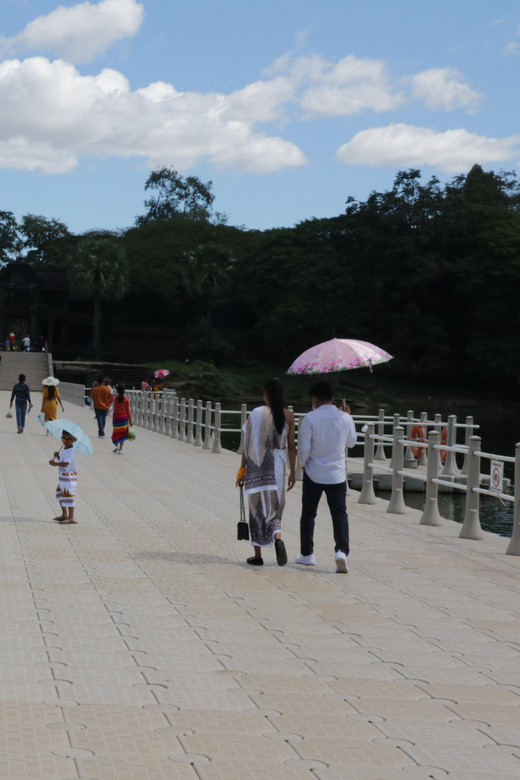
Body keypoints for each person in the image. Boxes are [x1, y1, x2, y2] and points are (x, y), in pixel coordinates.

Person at [296, 381, 357, 573]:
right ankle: (341, 551)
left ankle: (307, 554)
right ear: (332, 398)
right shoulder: (345, 418)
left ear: (314, 399)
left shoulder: (310, 418)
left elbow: (303, 447)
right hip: (337, 475)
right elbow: (352, 443)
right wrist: (347, 417)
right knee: (339, 514)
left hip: (314, 473)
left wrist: (302, 464)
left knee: (308, 513)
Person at [236, 378, 296, 566]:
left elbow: (247, 445)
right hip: (278, 465)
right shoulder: (289, 415)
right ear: (282, 395)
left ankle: (258, 555)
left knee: (257, 507)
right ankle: (277, 537)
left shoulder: (256, 413)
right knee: (275, 507)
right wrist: (293, 472)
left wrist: (242, 469)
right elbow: (292, 447)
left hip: (258, 465)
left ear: (266, 395)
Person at [49, 430, 78, 524]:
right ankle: (64, 514)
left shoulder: (71, 450)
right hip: (63, 477)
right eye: (64, 439)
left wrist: (55, 463)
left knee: (68, 495)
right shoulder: (65, 449)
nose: (66, 441)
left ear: (73, 440)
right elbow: (63, 460)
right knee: (60, 494)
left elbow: (65, 464)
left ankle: (72, 517)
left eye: (69, 440)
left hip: (69, 478)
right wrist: (57, 457)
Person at [112, 383, 133, 454]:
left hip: (116, 417)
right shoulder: (127, 399)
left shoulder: (115, 399)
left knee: (116, 432)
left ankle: (116, 445)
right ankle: (120, 449)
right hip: (123, 418)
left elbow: (115, 408)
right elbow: (128, 410)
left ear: (117, 391)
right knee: (122, 434)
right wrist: (130, 420)